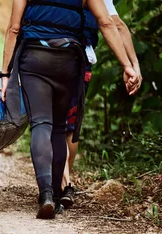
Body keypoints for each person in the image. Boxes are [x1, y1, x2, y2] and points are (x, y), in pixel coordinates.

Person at [1, 0, 139, 219]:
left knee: (41, 124)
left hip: (34, 56)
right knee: (58, 127)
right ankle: (56, 195)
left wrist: (5, 74)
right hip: (69, 59)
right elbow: (106, 22)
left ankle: (45, 194)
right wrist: (127, 66)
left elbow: (14, 28)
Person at [59, 0, 142, 208]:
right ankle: (63, 185)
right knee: (70, 127)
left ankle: (59, 184)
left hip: (42, 52)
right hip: (79, 59)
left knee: (52, 123)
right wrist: (132, 65)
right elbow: (115, 24)